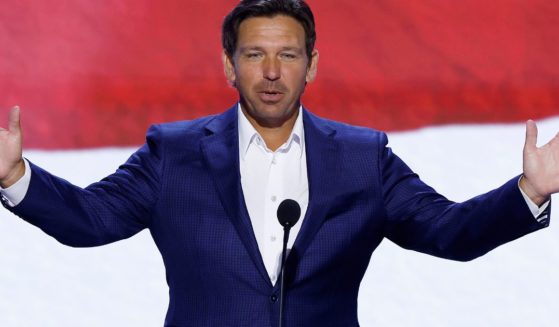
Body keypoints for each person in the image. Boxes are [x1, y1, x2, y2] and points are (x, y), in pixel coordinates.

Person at [0, 0, 557, 326]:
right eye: (254, 55)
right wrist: (15, 176)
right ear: (228, 65)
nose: (271, 72)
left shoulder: (365, 159)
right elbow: (90, 219)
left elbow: (448, 232)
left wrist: (528, 192)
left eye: (288, 55)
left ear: (311, 65)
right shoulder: (174, 153)